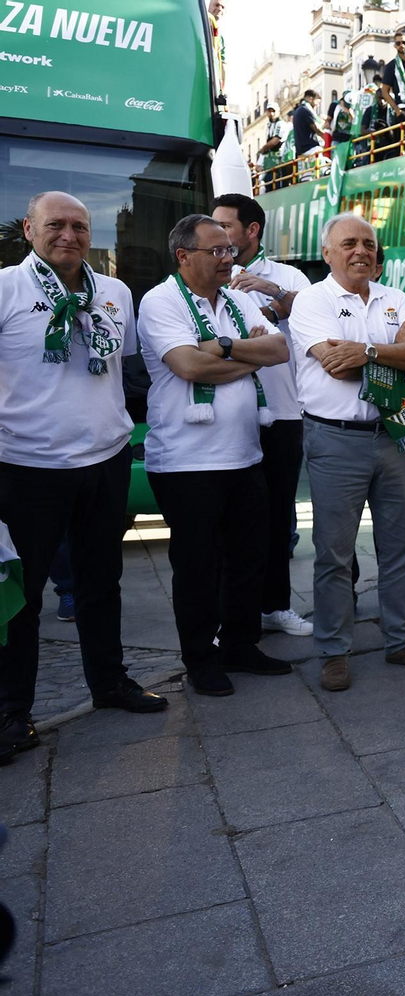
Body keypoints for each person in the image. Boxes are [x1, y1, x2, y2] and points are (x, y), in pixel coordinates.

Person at [0, 192, 168, 760]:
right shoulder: (5, 290)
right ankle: (11, 711)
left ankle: (109, 683)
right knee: (21, 597)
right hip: (27, 467)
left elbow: (115, 371)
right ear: (29, 229)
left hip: (105, 459)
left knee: (102, 583)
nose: (69, 235)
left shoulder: (115, 293)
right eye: (56, 225)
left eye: (79, 226)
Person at [137, 215, 293, 696]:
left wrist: (224, 347)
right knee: (198, 567)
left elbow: (280, 349)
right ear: (184, 256)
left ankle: (241, 646)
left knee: (249, 558)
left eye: (229, 250)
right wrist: (246, 360)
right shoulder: (161, 300)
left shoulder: (239, 298)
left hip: (245, 454)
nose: (229, 258)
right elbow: (186, 365)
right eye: (217, 251)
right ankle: (201, 659)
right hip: (187, 462)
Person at [288, 213, 405, 692]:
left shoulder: (396, 298)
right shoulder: (313, 300)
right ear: (328, 252)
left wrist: (367, 352)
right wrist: (391, 350)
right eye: (349, 243)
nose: (361, 251)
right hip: (336, 439)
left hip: (393, 434)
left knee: (401, 546)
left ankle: (401, 640)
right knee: (333, 551)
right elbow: (334, 365)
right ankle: (334, 651)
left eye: (369, 244)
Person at [212, 193, 315, 638]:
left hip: (283, 413)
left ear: (252, 230)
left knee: (276, 517)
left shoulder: (288, 274)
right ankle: (225, 615)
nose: (217, 236)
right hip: (225, 413)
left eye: (225, 227)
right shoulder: (207, 273)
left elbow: (313, 313)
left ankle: (275, 605)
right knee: (225, 519)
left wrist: (273, 292)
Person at [379, 28, 405, 158]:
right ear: (394, 46)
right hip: (403, 109)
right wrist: (397, 110)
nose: (401, 45)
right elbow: (384, 92)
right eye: (398, 43)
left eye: (403, 42)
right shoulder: (391, 66)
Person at [258, 103, 287, 191]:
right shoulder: (269, 125)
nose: (272, 114)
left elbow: (275, 141)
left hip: (278, 159)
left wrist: (263, 148)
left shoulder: (280, 124)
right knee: (268, 183)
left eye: (273, 111)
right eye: (269, 111)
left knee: (276, 183)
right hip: (269, 162)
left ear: (278, 112)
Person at [291, 90, 321, 158]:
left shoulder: (298, 110)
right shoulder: (306, 110)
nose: (318, 105)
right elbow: (317, 129)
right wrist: (328, 138)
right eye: (317, 102)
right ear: (311, 99)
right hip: (311, 149)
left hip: (301, 151)